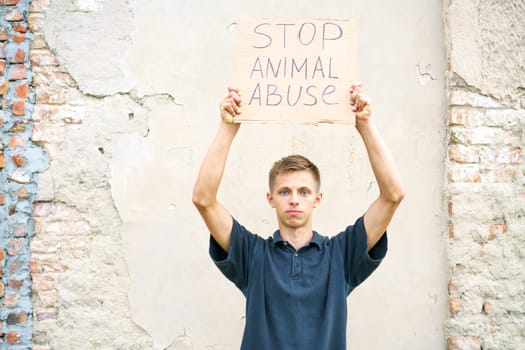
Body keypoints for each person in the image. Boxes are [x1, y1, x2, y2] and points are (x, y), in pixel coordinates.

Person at [192, 83, 405, 350]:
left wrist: (364, 125)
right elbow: (203, 199)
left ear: (318, 199)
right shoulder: (253, 254)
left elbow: (393, 195)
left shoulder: (341, 254)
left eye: (304, 192)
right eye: (284, 191)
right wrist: (228, 127)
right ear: (270, 199)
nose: (294, 199)